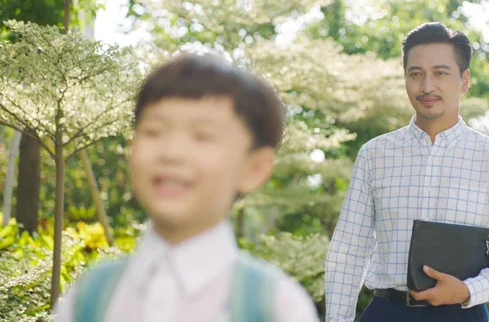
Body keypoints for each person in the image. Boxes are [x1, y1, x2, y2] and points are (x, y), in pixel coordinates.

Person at [53, 54, 318, 322]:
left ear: (254, 168)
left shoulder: (277, 305)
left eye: (203, 136)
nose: (172, 152)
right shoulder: (89, 295)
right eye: (154, 131)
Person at [324, 22, 489, 322]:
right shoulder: (374, 155)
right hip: (387, 312)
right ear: (405, 79)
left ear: (464, 80)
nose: (426, 86)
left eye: (440, 73)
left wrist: (468, 290)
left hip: (463, 313)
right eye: (416, 74)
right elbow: (348, 250)